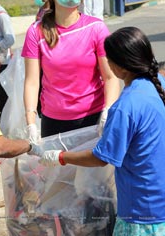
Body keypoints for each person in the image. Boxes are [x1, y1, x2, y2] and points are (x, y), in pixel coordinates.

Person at [37, 27, 165, 236]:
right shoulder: (158, 86)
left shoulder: (126, 106)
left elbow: (101, 158)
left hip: (142, 211)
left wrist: (60, 156)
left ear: (118, 66)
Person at [21, 0, 120, 141]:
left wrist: (108, 111)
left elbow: (110, 77)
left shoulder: (96, 28)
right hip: (53, 121)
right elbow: (32, 81)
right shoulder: (36, 32)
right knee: (55, 167)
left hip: (93, 118)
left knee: (89, 168)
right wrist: (30, 121)